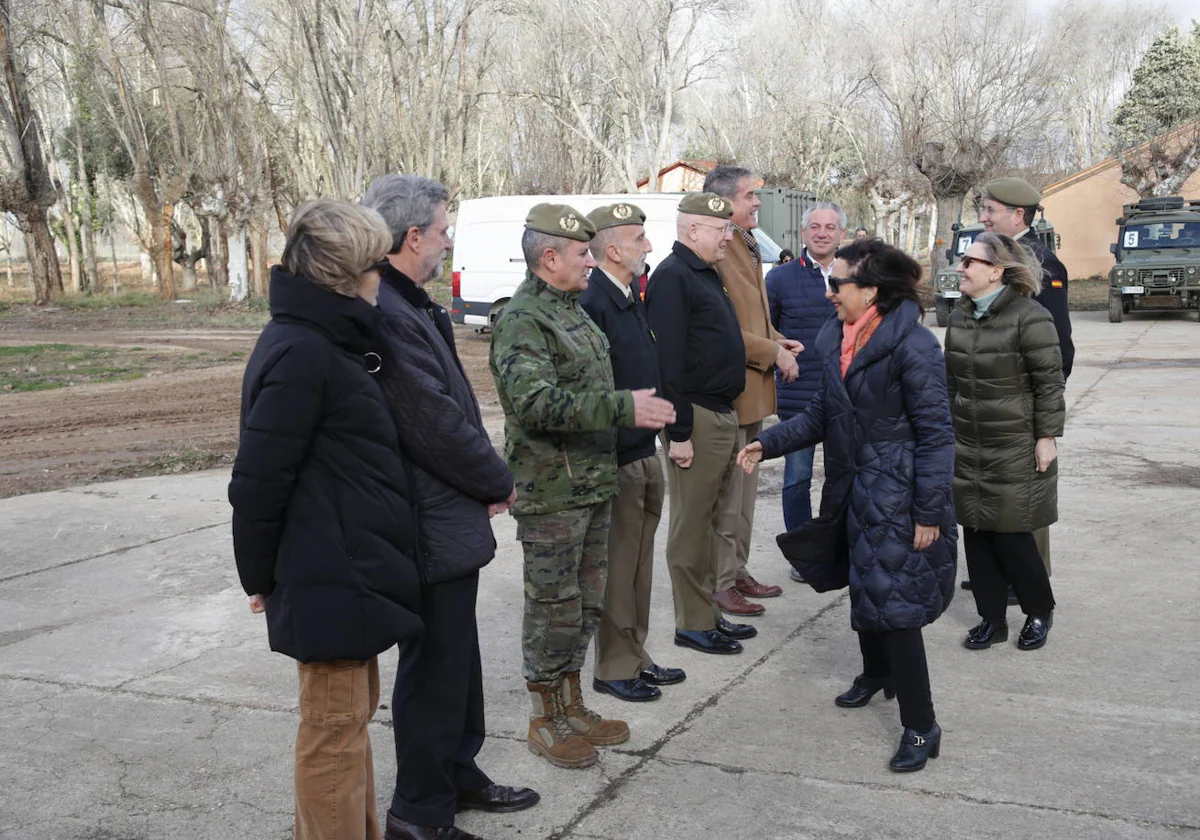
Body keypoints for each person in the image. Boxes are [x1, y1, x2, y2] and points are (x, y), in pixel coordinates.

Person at [228, 199, 421, 840]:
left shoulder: (327, 340)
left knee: (348, 721)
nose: (384, 276)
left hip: (348, 569)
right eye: (377, 265)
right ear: (349, 275)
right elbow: (258, 480)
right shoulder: (303, 351)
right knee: (332, 735)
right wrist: (258, 575)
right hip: (324, 575)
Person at [361, 175, 538, 840]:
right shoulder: (386, 308)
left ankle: (458, 772)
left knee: (455, 658)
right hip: (423, 514)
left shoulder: (409, 302)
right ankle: (419, 811)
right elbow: (431, 421)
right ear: (411, 238)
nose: (446, 245)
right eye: (442, 234)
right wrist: (495, 477)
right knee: (433, 665)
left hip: (444, 509)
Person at [737, 239, 957, 773]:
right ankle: (875, 674)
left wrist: (928, 511)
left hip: (899, 496)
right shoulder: (836, 334)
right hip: (852, 487)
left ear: (871, 291)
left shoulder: (915, 345)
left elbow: (936, 435)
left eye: (838, 284)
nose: (829, 291)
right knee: (866, 585)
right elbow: (820, 412)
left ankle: (921, 724)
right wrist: (769, 443)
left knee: (897, 606)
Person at [490, 203, 676, 770]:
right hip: (552, 495)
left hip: (591, 486)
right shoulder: (525, 319)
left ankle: (573, 705)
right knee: (551, 607)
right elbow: (534, 403)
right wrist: (624, 407)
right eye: (580, 254)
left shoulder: (573, 312)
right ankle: (545, 718)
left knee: (584, 604)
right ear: (550, 257)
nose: (590, 262)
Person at [579, 202, 686, 704]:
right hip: (617, 456)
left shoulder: (628, 295)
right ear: (614, 248)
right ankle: (614, 666)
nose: (649, 246)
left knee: (640, 565)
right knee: (618, 567)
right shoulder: (593, 301)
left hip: (643, 450)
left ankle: (636, 655)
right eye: (641, 238)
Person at [645, 192, 759, 655]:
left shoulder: (704, 273)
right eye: (721, 229)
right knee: (691, 527)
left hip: (720, 411)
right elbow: (667, 362)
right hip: (696, 415)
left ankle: (709, 613)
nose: (729, 237)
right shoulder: (674, 277)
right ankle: (692, 623)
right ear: (693, 229)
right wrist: (679, 432)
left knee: (715, 521)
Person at [945, 232, 1064, 653]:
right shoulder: (959, 317)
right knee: (975, 531)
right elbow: (951, 381)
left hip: (1015, 442)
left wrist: (1046, 437)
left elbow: (1049, 384)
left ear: (996, 270)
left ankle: (1038, 609)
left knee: (1012, 533)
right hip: (969, 442)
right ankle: (991, 619)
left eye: (970, 261)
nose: (961, 267)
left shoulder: (1029, 317)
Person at [703, 165, 801, 617]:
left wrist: (776, 338)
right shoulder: (718, 251)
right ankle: (720, 581)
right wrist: (772, 353)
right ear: (723, 203)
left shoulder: (743, 244)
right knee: (728, 497)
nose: (757, 203)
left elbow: (751, 313)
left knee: (743, 495)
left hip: (753, 391)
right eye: (749, 196)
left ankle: (736, 570)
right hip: (734, 391)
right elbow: (722, 331)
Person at [976, 177, 1073, 580]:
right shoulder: (986, 257)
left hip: (1023, 397)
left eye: (991, 211)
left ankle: (1030, 576)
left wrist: (1042, 404)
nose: (983, 218)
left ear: (1018, 215)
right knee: (991, 485)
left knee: (1029, 491)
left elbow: (1058, 345)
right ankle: (999, 566)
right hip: (989, 395)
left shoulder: (1040, 264)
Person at [765, 203, 842, 581]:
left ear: (841, 233)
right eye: (815, 227)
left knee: (842, 476)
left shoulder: (856, 274)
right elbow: (769, 332)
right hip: (799, 398)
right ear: (803, 233)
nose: (822, 233)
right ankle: (803, 557)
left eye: (830, 227)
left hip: (847, 397)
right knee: (797, 478)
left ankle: (837, 550)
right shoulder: (779, 279)